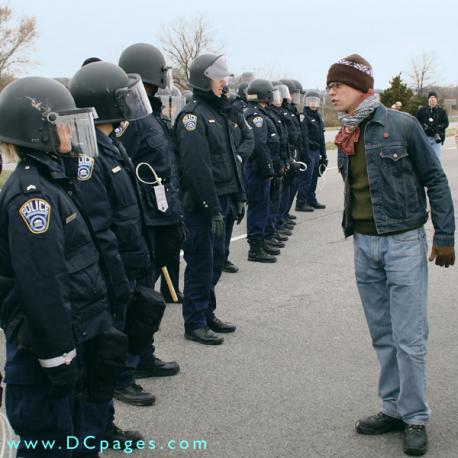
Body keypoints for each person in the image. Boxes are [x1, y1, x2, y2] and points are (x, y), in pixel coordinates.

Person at [327, 53, 455, 457]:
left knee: (409, 337)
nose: (331, 92)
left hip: (402, 243)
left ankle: (415, 416)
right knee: (383, 336)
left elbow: (435, 178)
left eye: (338, 86)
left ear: (361, 88)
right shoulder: (346, 133)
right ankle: (392, 408)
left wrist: (445, 234)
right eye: (329, 85)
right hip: (364, 245)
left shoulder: (402, 125)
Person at [0, 76, 127, 457]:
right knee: (50, 446)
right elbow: (44, 285)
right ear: (39, 129)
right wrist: (59, 359)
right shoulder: (31, 197)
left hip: (74, 337)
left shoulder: (54, 179)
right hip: (46, 355)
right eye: (63, 122)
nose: (71, 130)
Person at [69, 61, 179, 416]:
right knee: (111, 337)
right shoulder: (90, 157)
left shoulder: (111, 144)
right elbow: (100, 227)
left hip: (132, 254)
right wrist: (118, 276)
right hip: (114, 265)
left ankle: (119, 388)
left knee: (134, 320)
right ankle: (117, 384)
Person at [174, 54, 242, 345]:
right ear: (204, 80)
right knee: (201, 262)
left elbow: (230, 159)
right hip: (203, 205)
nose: (224, 83)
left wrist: (238, 196)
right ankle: (195, 322)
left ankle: (207, 312)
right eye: (218, 78)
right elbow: (197, 168)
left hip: (223, 200)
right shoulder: (193, 117)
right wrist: (212, 208)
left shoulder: (220, 112)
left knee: (216, 260)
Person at [118, 43, 186, 305]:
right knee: (143, 283)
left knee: (163, 261)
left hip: (163, 210)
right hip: (148, 215)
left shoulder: (149, 113)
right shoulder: (133, 120)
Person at [296, 91, 326, 211]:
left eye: (315, 101)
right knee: (306, 178)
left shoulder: (318, 116)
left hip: (317, 151)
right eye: (311, 101)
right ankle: (301, 202)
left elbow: (321, 136)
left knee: (314, 177)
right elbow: (304, 137)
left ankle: (311, 199)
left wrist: (323, 154)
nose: (313, 103)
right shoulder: (304, 116)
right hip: (309, 151)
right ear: (307, 102)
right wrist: (306, 154)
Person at [416, 92, 449, 160]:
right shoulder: (422, 110)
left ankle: (436, 170)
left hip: (436, 138)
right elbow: (416, 122)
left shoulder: (441, 111)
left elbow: (446, 123)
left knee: (436, 158)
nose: (432, 99)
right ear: (428, 99)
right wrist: (423, 126)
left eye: (434, 98)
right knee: (424, 158)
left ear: (437, 100)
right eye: (431, 98)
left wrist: (439, 127)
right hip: (424, 137)